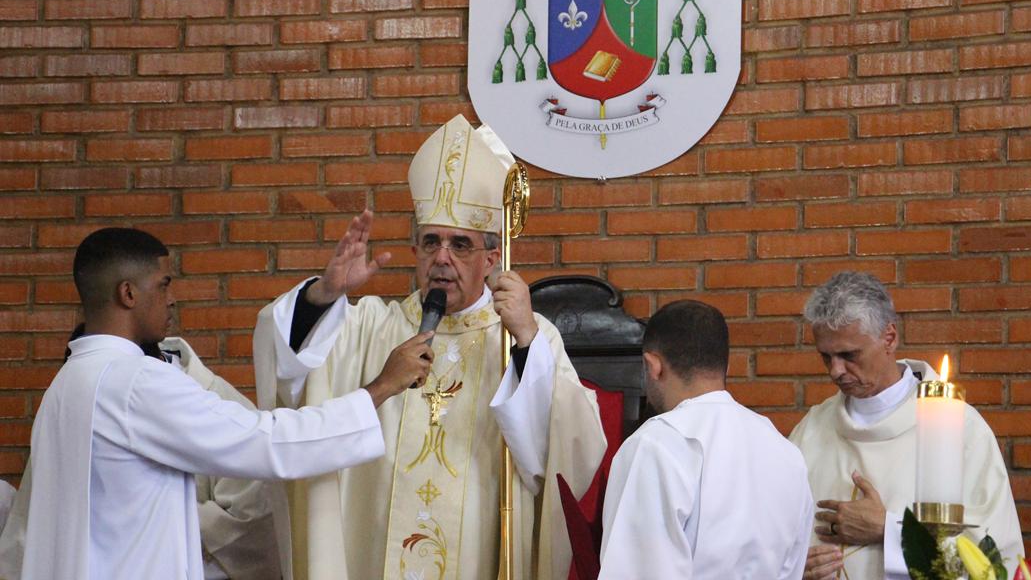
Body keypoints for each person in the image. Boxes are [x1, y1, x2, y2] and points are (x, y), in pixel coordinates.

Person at [252, 114, 606, 580]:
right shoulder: (370, 327)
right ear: (415, 250)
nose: (441, 257)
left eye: (460, 245)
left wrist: (525, 344)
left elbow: (565, 455)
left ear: (491, 257)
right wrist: (325, 293)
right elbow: (288, 364)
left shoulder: (524, 335)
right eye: (430, 242)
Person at [23, 227, 432, 580]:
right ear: (128, 293)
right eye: (164, 285)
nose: (172, 299)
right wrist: (382, 387)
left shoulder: (68, 383)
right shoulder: (136, 382)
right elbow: (266, 443)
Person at [790, 272, 1023, 580]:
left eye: (848, 355)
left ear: (889, 338)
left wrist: (889, 531)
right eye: (826, 357)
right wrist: (794, 567)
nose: (836, 371)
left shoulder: (962, 430)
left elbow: (995, 559)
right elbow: (772, 537)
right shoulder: (811, 430)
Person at [0, 328, 284, 580]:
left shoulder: (218, 402)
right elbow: (29, 530)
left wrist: (138, 515)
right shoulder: (72, 407)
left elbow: (253, 528)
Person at [597, 300, 814, 580]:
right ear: (726, 366)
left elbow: (635, 572)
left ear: (653, 366)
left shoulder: (656, 444)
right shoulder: (785, 451)